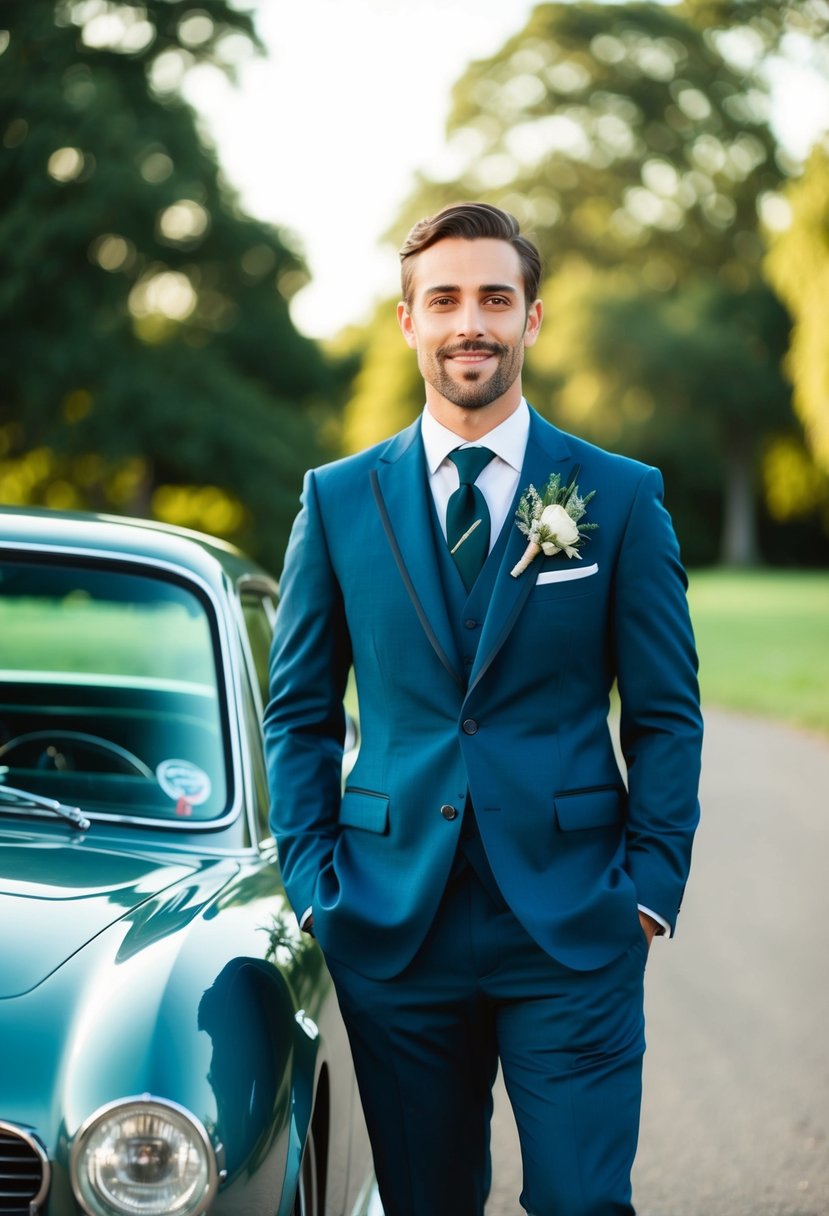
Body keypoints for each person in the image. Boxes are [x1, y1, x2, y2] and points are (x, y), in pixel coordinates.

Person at [264, 202, 702, 1216]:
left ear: (532, 319)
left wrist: (648, 881)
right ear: (408, 321)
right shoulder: (335, 501)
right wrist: (314, 878)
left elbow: (666, 711)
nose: (473, 322)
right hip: (389, 913)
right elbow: (299, 710)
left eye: (495, 299)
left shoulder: (619, 497)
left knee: (581, 1200)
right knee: (425, 1202)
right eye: (447, 299)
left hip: (573, 915)